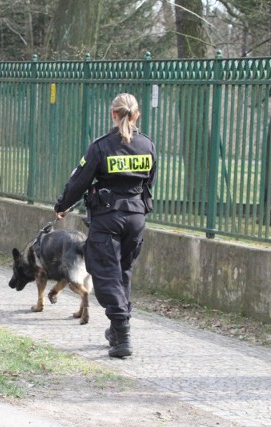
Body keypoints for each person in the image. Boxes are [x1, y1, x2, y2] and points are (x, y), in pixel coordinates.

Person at [54, 93, 156, 358]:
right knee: (123, 271)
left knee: (106, 273)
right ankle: (116, 329)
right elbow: (150, 182)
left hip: (107, 218)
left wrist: (62, 205)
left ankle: (121, 332)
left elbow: (79, 181)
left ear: (113, 114)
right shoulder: (148, 145)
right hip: (136, 217)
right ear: (136, 115)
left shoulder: (101, 147)